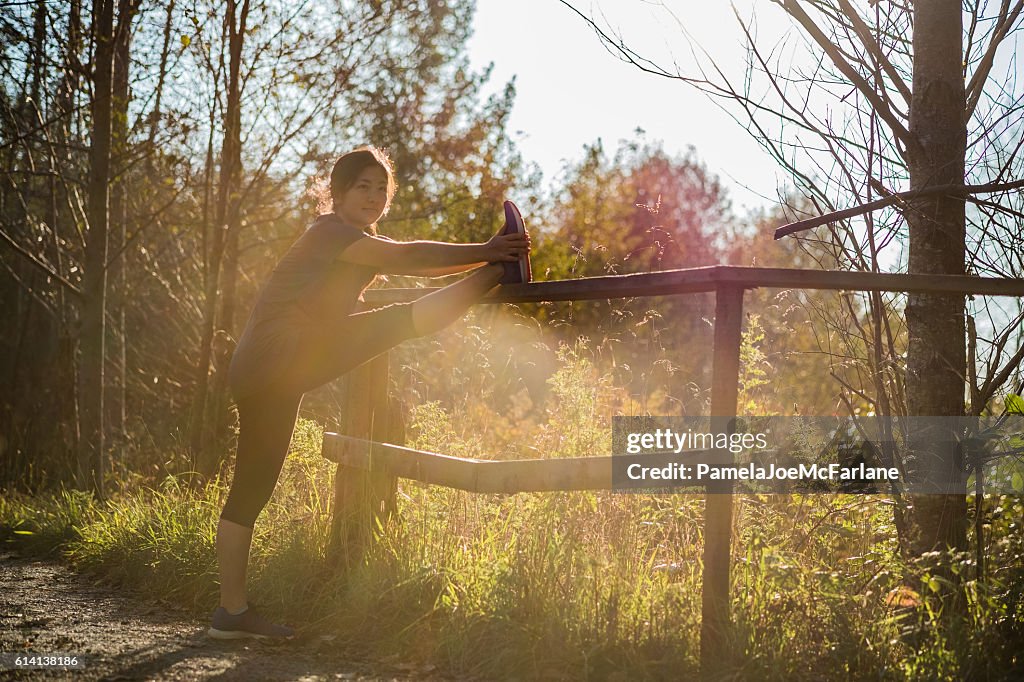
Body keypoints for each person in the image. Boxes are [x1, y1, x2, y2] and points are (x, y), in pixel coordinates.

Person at [208, 146, 531, 639]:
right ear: (337, 192)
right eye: (363, 186)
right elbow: (410, 257)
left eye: (382, 189)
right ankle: (496, 272)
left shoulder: (350, 246)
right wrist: (487, 250)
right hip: (280, 354)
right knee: (397, 324)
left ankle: (230, 614)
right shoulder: (330, 232)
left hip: (265, 369)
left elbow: (366, 281)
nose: (375, 196)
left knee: (252, 487)